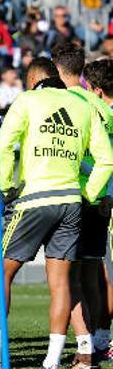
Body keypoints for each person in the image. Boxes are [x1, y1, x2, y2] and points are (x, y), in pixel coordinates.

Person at [0, 58, 113, 369]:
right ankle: (52, 360)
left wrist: (5, 186)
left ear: (32, 79)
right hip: (71, 202)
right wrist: (89, 194)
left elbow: (4, 144)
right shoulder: (84, 106)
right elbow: (106, 160)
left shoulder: (27, 100)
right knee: (62, 282)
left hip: (34, 200)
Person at [52, 42, 113, 363]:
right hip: (99, 196)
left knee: (67, 278)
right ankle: (97, 342)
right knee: (92, 273)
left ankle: (85, 350)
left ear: (57, 71)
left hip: (72, 195)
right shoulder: (101, 104)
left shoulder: (63, 102)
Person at [83, 59, 113, 357]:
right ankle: (103, 337)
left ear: (97, 90)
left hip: (108, 200)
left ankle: (104, 339)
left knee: (107, 274)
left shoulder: (105, 115)